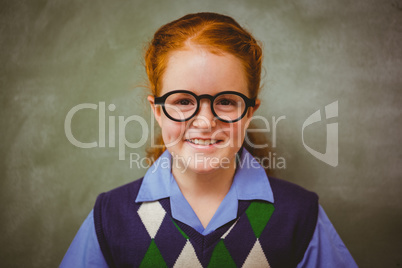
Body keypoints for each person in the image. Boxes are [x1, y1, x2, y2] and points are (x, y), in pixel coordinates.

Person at [61, 12, 357, 268]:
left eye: (227, 101)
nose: (204, 122)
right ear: (157, 111)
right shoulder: (112, 216)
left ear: (250, 112)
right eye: (183, 101)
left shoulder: (300, 215)